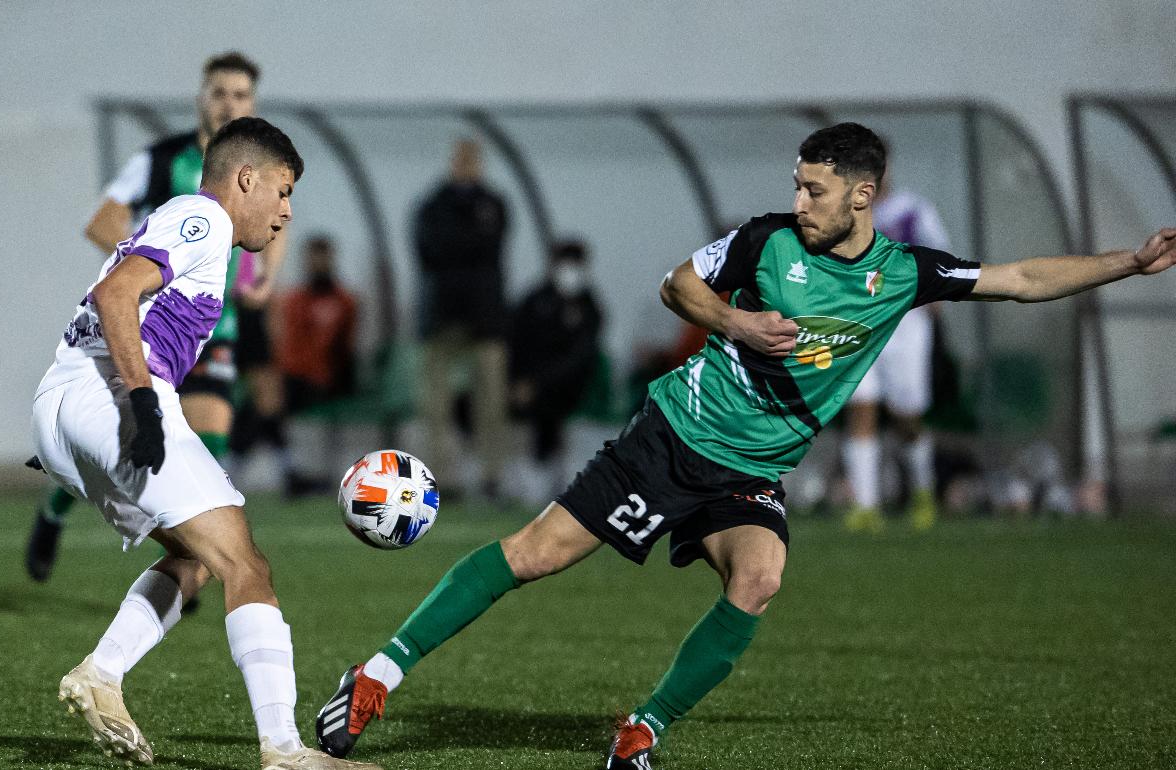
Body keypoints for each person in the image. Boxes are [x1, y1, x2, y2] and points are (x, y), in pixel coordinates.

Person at [311, 122, 1176, 769]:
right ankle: (378, 674)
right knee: (535, 556)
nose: (799, 202)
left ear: (863, 196)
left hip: (751, 472)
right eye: (797, 185)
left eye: (815, 190)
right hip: (672, 439)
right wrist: (736, 323)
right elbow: (676, 285)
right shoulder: (765, 241)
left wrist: (1131, 263)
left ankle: (641, 732)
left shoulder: (903, 274)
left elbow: (1020, 279)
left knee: (759, 578)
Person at [30, 118, 374, 770]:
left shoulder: (198, 231)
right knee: (247, 564)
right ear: (245, 178)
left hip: (67, 408)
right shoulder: (205, 218)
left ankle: (101, 673)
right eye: (283, 191)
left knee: (198, 559)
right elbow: (115, 294)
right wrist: (139, 402)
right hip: (107, 395)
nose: (286, 212)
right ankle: (285, 750)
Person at [25, 52, 287, 581]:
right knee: (126, 435)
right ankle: (56, 509)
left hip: (213, 328)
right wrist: (151, 262)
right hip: (148, 328)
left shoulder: (258, 169)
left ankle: (187, 564)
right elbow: (102, 222)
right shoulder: (162, 161)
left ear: (253, 102)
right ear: (200, 99)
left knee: (208, 437)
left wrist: (266, 276)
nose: (229, 104)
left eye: (240, 95)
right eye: (219, 93)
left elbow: (277, 219)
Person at [841, 169, 953, 533]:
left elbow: (938, 256)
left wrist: (935, 301)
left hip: (906, 325)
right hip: (860, 322)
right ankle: (865, 506)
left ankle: (923, 489)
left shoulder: (913, 210)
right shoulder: (845, 213)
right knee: (861, 407)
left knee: (906, 418)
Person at [413, 138, 509, 497]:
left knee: (491, 402)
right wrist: (466, 246)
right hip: (442, 317)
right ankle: (442, 477)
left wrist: (456, 247)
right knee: (436, 404)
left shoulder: (493, 203)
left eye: (472, 159)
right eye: (461, 159)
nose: (465, 165)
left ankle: (491, 476)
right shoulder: (433, 204)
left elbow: (488, 248)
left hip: (486, 319)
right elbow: (430, 251)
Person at [231, 235, 360, 495]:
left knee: (264, 405)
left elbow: (346, 348)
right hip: (291, 376)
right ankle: (288, 474)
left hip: (321, 381)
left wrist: (342, 382)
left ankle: (231, 470)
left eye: (322, 258)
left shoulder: (344, 301)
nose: (317, 264)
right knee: (262, 407)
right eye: (313, 259)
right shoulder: (294, 299)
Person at [507, 239, 604, 495]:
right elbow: (516, 345)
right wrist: (519, 381)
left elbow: (582, 356)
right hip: (531, 386)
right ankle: (531, 476)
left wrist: (540, 383)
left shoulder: (589, 307)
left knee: (552, 410)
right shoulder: (534, 301)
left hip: (569, 389)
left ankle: (554, 476)